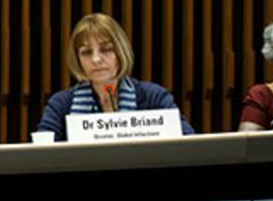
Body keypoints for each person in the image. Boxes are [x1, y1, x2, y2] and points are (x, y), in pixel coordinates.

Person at [37, 13, 193, 141]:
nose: (96, 59)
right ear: (77, 59)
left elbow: (188, 146)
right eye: (86, 52)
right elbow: (42, 156)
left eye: (106, 49)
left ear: (120, 52)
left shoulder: (154, 97)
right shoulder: (61, 105)